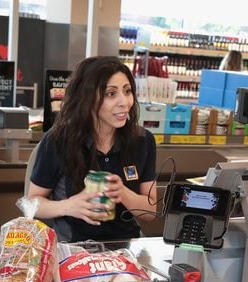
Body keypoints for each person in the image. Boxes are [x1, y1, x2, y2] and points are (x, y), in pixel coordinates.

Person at [27, 56, 157, 242]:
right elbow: (31, 203)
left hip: (126, 249)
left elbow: (150, 212)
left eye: (127, 91)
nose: (124, 102)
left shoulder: (143, 141)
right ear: (86, 98)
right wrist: (68, 206)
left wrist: (123, 193)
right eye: (111, 94)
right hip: (73, 248)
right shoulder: (58, 140)